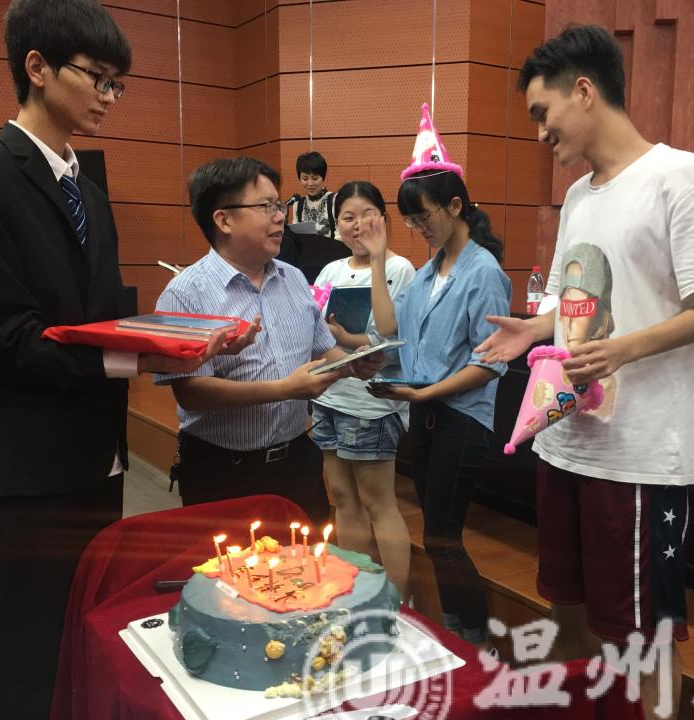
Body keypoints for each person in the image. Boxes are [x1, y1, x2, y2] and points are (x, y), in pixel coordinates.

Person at [0, 2, 243, 720]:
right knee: (35, 645)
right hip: (28, 463)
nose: (108, 96)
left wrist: (170, 347)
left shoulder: (88, 193)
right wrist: (135, 361)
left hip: (96, 454)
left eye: (117, 83)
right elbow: (2, 340)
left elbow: (104, 319)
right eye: (97, 77)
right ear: (36, 67)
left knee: (92, 629)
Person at [476, 25, 694, 720]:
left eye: (543, 114)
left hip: (641, 454)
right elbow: (579, 300)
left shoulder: (680, 178)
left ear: (584, 91)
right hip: (568, 439)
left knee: (642, 635)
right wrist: (533, 327)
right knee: (568, 610)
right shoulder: (577, 196)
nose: (540, 133)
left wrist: (626, 347)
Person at [154, 157, 382, 525]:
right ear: (224, 220)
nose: (280, 218)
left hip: (297, 464)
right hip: (223, 470)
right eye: (267, 207)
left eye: (279, 205)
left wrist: (352, 363)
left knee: (310, 560)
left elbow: (325, 349)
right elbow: (190, 392)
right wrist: (284, 389)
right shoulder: (184, 293)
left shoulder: (294, 279)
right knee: (230, 564)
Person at [367, 103, 511, 647]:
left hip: (460, 419)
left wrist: (421, 393)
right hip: (425, 414)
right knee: (437, 537)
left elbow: (489, 363)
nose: (418, 227)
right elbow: (391, 331)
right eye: (410, 220)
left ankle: (475, 640)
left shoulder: (484, 272)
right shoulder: (428, 273)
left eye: (423, 216)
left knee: (444, 539)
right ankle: (460, 634)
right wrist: (377, 261)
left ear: (455, 206)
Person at [310, 180, 416, 596]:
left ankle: (397, 599)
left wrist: (343, 337)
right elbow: (315, 328)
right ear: (336, 224)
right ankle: (357, 591)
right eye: (347, 217)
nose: (357, 225)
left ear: (384, 219)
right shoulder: (330, 271)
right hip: (330, 395)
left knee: (378, 503)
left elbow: (391, 336)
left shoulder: (399, 269)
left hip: (371, 403)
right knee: (342, 498)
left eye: (367, 214)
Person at [290, 150, 339, 239]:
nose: (310, 184)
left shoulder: (335, 200)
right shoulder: (298, 205)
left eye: (315, 178)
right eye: (305, 179)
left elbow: (341, 235)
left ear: (323, 177)